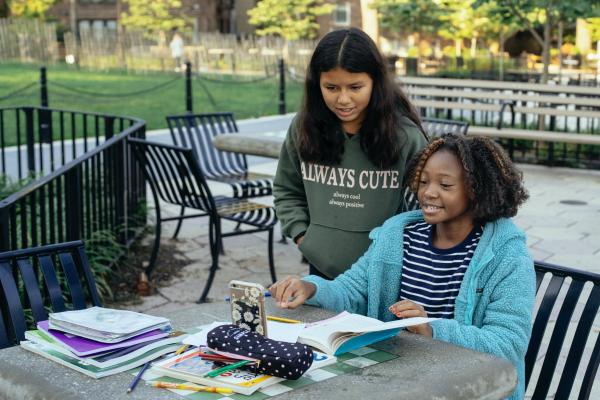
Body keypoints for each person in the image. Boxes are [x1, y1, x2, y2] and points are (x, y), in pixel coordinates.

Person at [270, 134, 535, 400]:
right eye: (422, 181)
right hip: (395, 379)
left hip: (468, 387)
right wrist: (311, 288)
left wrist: (431, 328)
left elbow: (507, 343)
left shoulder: (505, 254)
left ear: (478, 189)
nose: (428, 192)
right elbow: (353, 289)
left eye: (445, 184)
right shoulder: (399, 235)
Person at [273, 28, 428, 280]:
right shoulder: (303, 128)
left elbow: (427, 208)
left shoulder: (406, 137)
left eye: (355, 87)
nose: (343, 99)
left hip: (384, 274)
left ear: (375, 82)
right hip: (321, 271)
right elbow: (286, 189)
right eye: (331, 87)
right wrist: (303, 235)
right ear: (317, 84)